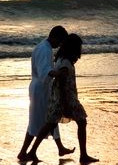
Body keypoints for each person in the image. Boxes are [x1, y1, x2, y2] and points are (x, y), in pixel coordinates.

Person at [26, 34, 99, 163]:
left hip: (58, 98)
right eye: (79, 46)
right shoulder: (65, 63)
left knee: (50, 125)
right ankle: (83, 156)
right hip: (66, 99)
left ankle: (32, 152)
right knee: (81, 121)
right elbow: (62, 83)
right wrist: (66, 104)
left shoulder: (60, 59)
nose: (80, 49)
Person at [17, 26, 75, 161]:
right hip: (40, 89)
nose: (59, 45)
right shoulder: (45, 49)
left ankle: (59, 147)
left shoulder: (43, 47)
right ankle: (24, 152)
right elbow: (45, 71)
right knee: (41, 121)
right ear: (55, 37)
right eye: (60, 42)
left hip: (40, 87)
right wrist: (59, 73)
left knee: (48, 119)